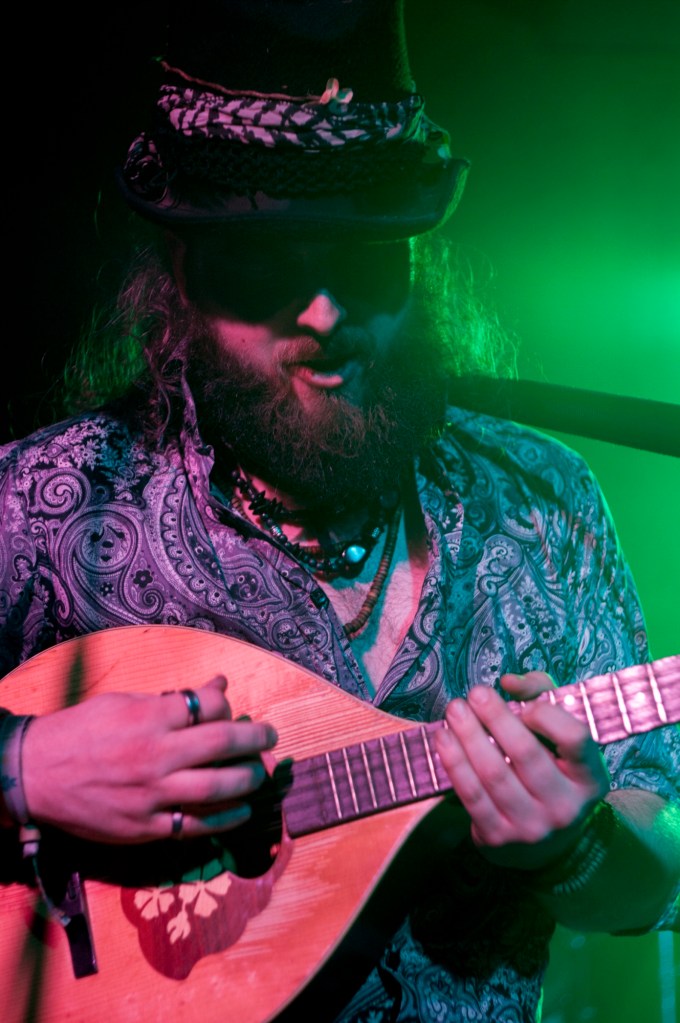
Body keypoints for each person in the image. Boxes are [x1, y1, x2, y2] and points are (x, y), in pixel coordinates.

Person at [1, 2, 678, 1021]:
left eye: (363, 257)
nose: (322, 313)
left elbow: (653, 876)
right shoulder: (43, 504)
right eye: (267, 260)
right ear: (181, 271)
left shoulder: (547, 504)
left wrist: (572, 848)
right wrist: (22, 768)